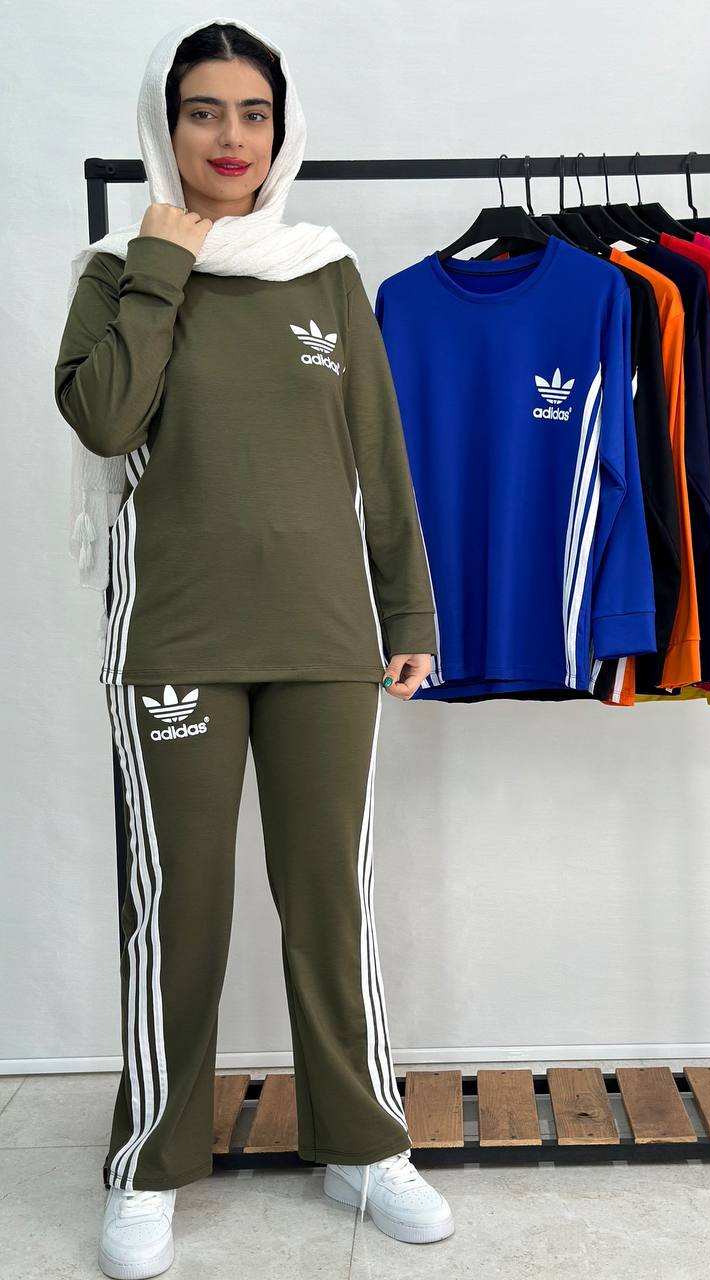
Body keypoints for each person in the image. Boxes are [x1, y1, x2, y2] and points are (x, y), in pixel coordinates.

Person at [53, 17, 452, 1279]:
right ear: (163, 125)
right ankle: (151, 1159)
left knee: (329, 896)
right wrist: (163, 265)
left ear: (281, 129)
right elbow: (104, 417)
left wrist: (409, 614)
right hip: (177, 630)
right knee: (181, 904)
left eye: (253, 113)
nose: (230, 138)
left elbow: (378, 455)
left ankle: (362, 1140)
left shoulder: (324, 270)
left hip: (328, 636)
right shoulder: (117, 270)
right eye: (203, 111)